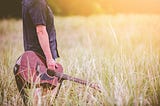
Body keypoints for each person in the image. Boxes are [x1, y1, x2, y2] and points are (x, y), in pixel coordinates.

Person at [15, 0, 59, 105]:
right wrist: (49, 58)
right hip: (41, 57)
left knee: (39, 94)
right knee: (43, 97)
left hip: (35, 55)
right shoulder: (37, 2)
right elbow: (41, 30)